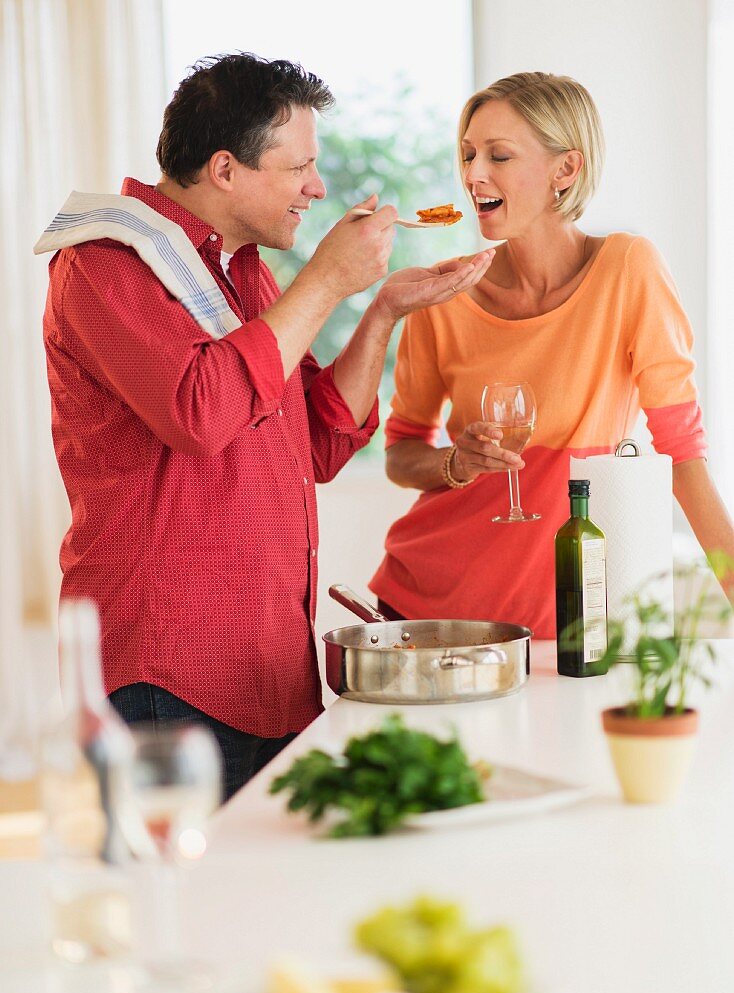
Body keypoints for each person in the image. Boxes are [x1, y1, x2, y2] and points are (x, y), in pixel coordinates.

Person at [37, 53, 493, 800]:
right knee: (184, 905)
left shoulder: (243, 270)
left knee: (268, 907)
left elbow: (315, 441)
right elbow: (200, 411)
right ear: (225, 169)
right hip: (169, 678)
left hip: (271, 671)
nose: (316, 187)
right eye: (300, 168)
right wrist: (323, 281)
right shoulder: (102, 265)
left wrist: (380, 310)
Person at [370, 71, 734, 634]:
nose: (473, 174)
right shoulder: (445, 295)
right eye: (467, 155)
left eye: (499, 156)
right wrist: (457, 463)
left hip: (564, 619)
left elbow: (682, 457)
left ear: (565, 168)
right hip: (429, 610)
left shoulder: (628, 271)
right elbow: (401, 453)